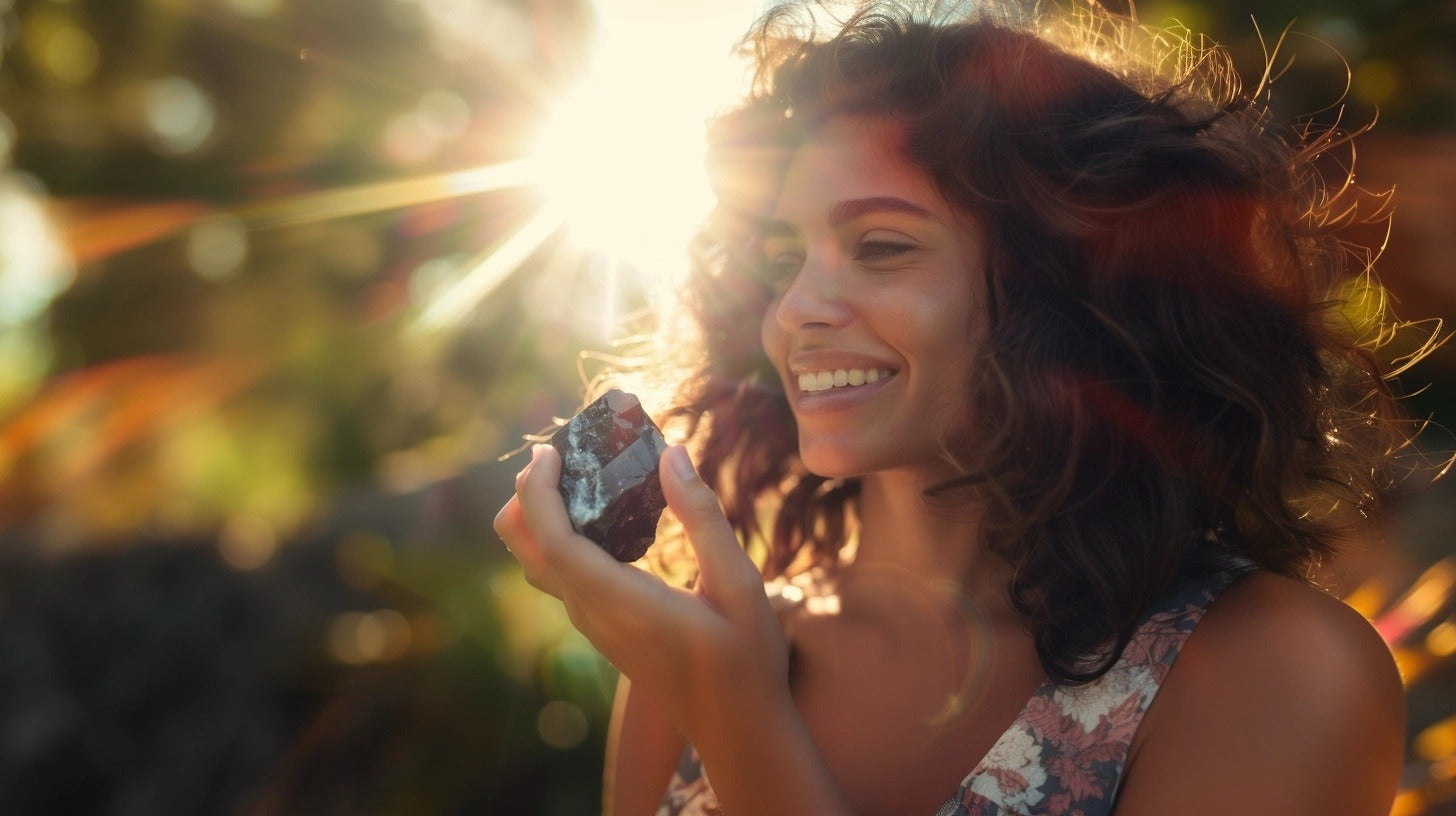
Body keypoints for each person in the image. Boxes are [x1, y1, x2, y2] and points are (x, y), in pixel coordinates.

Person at [495, 2, 1419, 814]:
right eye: (785, 261)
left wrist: (739, 721)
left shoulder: (1273, 675)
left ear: (1067, 281)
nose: (796, 310)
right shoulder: (697, 656)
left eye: (883, 246)